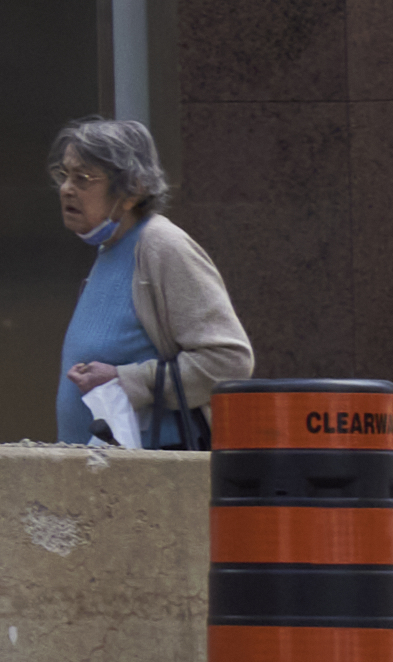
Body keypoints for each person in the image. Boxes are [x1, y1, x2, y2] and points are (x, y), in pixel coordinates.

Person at [51, 118, 253, 447]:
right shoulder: (109, 250)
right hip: (93, 478)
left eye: (83, 178)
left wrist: (127, 380)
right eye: (64, 175)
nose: (66, 189)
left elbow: (230, 361)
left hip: (154, 476)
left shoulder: (161, 246)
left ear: (132, 190)